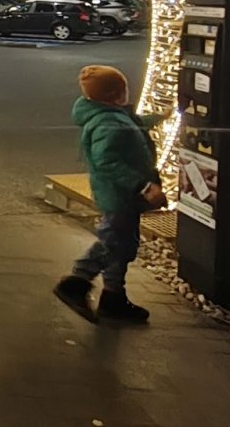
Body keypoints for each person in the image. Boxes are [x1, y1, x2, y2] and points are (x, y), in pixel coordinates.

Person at [54, 65, 166, 323]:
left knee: (124, 244)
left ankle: (113, 296)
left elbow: (134, 123)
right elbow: (107, 161)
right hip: (119, 195)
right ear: (116, 94)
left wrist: (163, 116)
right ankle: (77, 281)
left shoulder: (110, 114)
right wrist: (145, 187)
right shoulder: (108, 122)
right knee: (114, 242)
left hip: (122, 195)